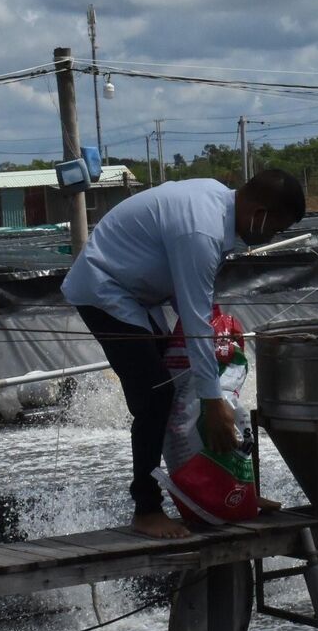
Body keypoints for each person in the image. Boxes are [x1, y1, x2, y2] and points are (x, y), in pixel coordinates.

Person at [61, 169, 305, 538]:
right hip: (104, 289)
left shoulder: (216, 202)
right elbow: (194, 321)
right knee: (156, 397)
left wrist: (213, 389)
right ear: (258, 214)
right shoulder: (202, 230)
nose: (272, 237)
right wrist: (212, 403)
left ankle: (220, 492)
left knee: (184, 393)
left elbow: (198, 305)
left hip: (138, 295)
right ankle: (146, 507)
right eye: (275, 229)